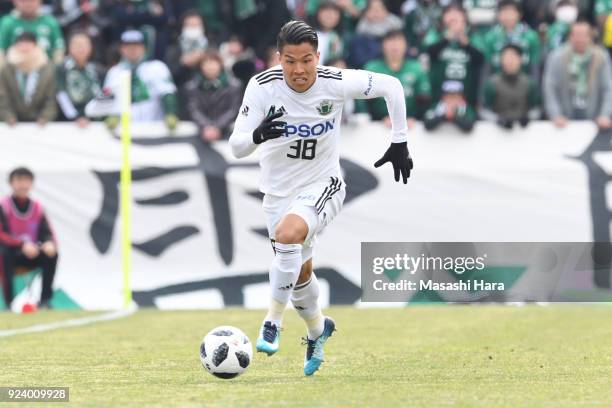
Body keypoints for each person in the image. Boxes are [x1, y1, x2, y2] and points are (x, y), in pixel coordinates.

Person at [229, 20, 412, 376]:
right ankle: (317, 330)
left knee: (287, 236)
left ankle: (273, 322)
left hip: (323, 184)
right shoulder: (262, 86)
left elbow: (392, 85)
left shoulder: (335, 82)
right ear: (278, 58)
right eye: (290, 61)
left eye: (307, 60)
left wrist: (399, 140)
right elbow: (236, 147)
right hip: (277, 193)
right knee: (298, 273)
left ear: (318, 57)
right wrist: (258, 134)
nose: (299, 70)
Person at [90, 30, 178, 130]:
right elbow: (107, 98)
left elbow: (167, 93)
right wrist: (111, 115)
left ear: (143, 48)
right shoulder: (114, 72)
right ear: (121, 49)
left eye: (136, 46)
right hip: (125, 130)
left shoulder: (157, 67)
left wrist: (170, 113)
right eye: (128, 46)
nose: (133, 50)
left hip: (154, 128)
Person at [0, 167, 58, 310]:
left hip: (29, 254)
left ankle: (45, 301)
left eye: (26, 181)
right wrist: (21, 245)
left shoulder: (37, 207)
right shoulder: (3, 205)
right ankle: (10, 304)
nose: (23, 185)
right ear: (11, 183)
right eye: (19, 180)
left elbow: (47, 232)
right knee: (4, 253)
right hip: (9, 254)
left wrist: (49, 243)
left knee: (51, 254)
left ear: (31, 184)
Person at [543, 20, 612, 129]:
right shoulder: (556, 57)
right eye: (576, 35)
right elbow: (550, 88)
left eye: (584, 35)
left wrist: (605, 115)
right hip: (564, 118)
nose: (580, 39)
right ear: (570, 36)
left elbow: (608, 88)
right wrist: (556, 115)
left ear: (590, 37)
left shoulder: (601, 57)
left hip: (594, 117)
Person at [364, 30, 430, 127]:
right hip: (378, 125)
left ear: (406, 45)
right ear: (382, 45)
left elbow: (424, 98)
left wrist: (414, 118)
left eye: (399, 41)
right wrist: (381, 118)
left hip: (411, 125)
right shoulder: (372, 68)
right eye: (390, 41)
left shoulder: (417, 68)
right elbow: (363, 101)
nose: (395, 45)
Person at [0, 31, 57, 125]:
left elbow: (51, 98)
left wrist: (45, 117)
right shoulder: (7, 69)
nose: (25, 47)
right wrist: (8, 116)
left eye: (28, 43)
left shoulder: (47, 68)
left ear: (35, 45)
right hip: (12, 123)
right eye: (21, 43)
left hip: (40, 124)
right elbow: (3, 97)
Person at [184, 51, 242, 142]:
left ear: (220, 65)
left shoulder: (234, 85)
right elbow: (193, 109)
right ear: (201, 66)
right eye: (206, 63)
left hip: (227, 132)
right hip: (201, 133)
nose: (210, 66)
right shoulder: (192, 86)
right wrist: (206, 127)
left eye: (214, 63)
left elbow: (234, 109)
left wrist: (217, 127)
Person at [482, 44, 541, 128]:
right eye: (506, 57)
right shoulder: (492, 83)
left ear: (520, 60)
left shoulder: (530, 83)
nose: (510, 61)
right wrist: (497, 119)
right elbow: (483, 110)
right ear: (501, 60)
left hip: (524, 133)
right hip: (498, 132)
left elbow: (537, 109)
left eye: (513, 57)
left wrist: (528, 117)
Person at [56, 31, 104, 127]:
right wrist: (76, 117)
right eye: (77, 44)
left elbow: (102, 96)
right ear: (69, 47)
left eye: (84, 44)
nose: (81, 48)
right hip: (68, 123)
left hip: (94, 121)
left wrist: (94, 117)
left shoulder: (97, 70)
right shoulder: (61, 69)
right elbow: (61, 95)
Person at [482, 0, 540, 77]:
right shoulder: (490, 37)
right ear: (498, 15)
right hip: (497, 83)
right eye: (504, 12)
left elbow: (534, 67)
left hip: (524, 83)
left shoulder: (530, 36)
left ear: (520, 14)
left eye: (511, 13)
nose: (508, 17)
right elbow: (487, 68)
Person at [0, 0, 65, 66]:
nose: (28, 4)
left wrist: (56, 71)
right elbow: (1, 51)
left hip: (45, 70)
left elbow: (58, 50)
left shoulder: (50, 22)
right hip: (14, 70)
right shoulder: (7, 23)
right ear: (14, 1)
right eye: (24, 1)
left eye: (32, 0)